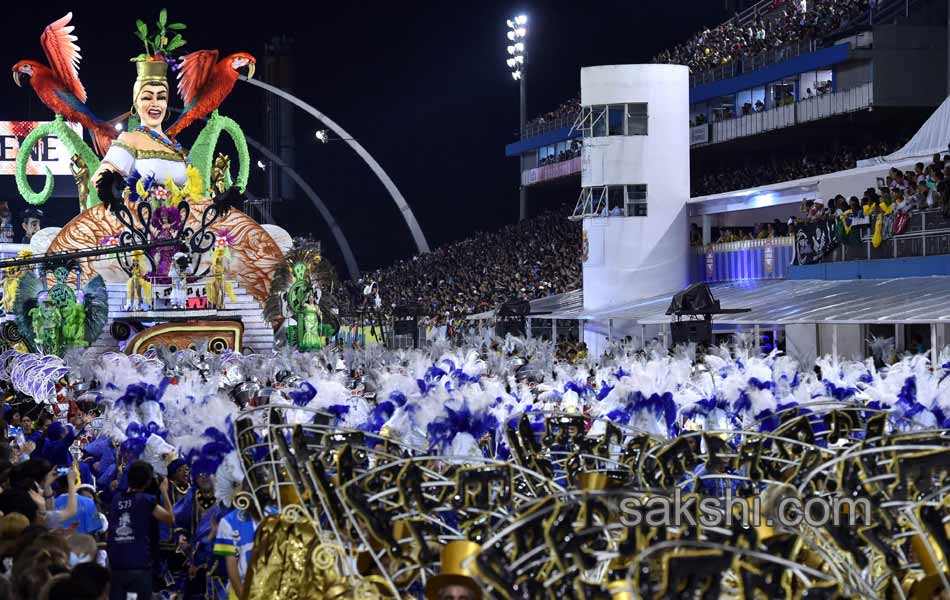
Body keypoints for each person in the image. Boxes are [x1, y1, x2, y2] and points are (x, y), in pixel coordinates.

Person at [106, 460, 174, 600]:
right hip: (138, 567)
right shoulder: (146, 500)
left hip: (116, 567)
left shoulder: (116, 499)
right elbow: (170, 519)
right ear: (148, 482)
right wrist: (164, 492)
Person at [213, 499, 261, 600]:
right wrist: (242, 595)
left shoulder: (277, 515)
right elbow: (231, 565)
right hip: (242, 589)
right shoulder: (228, 521)